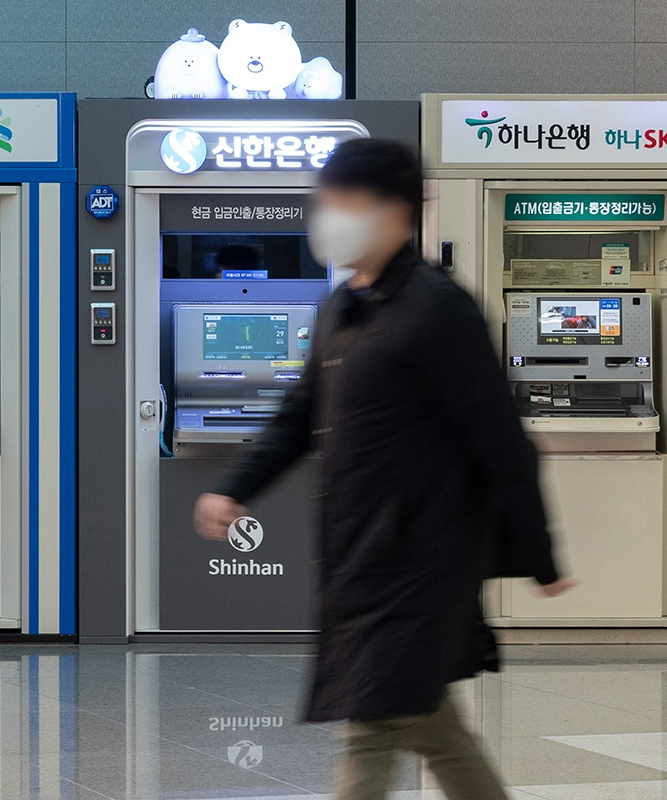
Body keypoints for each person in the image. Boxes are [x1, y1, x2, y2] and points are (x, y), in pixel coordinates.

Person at [193, 138, 575, 800]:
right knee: (428, 724)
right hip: (362, 557)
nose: (328, 217)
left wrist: (538, 556)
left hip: (420, 561)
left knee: (372, 724)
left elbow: (500, 440)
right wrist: (235, 488)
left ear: (396, 213)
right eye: (325, 202)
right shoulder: (341, 310)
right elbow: (298, 416)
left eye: (345, 202)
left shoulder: (438, 308)